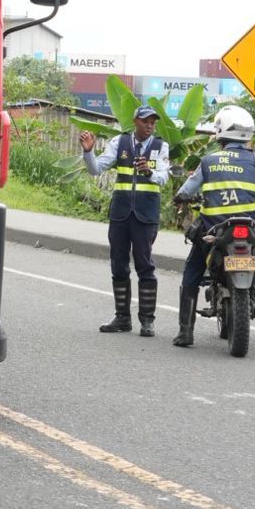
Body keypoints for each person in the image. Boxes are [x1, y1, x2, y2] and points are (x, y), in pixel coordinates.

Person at [171, 105, 255, 348]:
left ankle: (185, 332)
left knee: (192, 272)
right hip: (251, 230)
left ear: (221, 133)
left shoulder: (208, 161)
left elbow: (187, 190)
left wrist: (180, 198)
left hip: (214, 231)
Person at [79, 106, 170, 337]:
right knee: (118, 265)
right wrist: (88, 152)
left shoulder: (161, 147)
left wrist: (150, 172)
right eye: (145, 121)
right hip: (120, 214)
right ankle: (122, 318)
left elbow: (164, 177)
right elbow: (95, 169)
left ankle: (147, 321)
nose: (149, 125)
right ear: (135, 121)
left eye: (153, 122)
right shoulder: (119, 143)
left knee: (144, 266)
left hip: (145, 216)